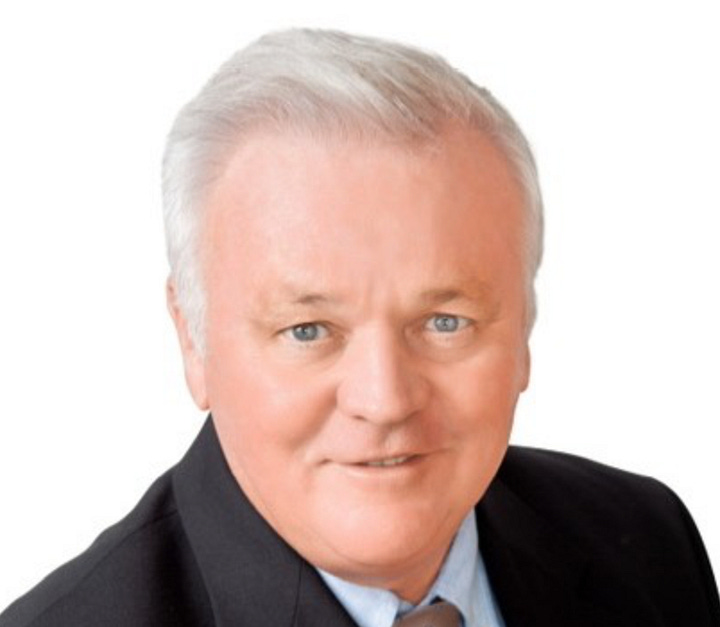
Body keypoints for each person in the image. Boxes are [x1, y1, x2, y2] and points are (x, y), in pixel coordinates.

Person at [1, 28, 718, 627]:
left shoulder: (648, 543)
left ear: (524, 329)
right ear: (194, 340)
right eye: (309, 330)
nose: (385, 400)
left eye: (445, 322)